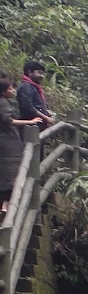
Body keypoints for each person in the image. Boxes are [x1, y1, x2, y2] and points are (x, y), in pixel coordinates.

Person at [0, 78, 28, 215]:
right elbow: (8, 120)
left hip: (6, 143)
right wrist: (30, 121)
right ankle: (7, 207)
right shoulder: (3, 103)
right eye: (10, 89)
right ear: (4, 92)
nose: (13, 91)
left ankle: (5, 206)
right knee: (11, 174)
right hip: (7, 145)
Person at [16, 62, 51, 126]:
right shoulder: (26, 87)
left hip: (37, 126)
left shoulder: (34, 87)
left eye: (43, 74)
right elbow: (28, 107)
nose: (42, 76)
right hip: (30, 127)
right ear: (30, 72)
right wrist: (46, 118)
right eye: (39, 73)